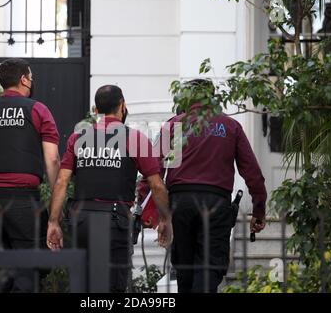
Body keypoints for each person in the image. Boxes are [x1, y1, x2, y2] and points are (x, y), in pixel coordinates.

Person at [46, 85, 172, 292]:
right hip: (115, 223)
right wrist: (165, 219)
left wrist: (53, 221)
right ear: (122, 105)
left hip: (82, 221)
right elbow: (157, 185)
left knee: (83, 286)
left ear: (96, 110)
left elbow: (61, 182)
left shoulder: (78, 138)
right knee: (113, 287)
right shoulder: (135, 139)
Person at [148, 78, 267, 293]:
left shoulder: (174, 125)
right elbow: (252, 172)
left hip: (180, 203)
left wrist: (157, 214)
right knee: (209, 269)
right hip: (215, 203)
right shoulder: (230, 126)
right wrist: (259, 209)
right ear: (212, 98)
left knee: (184, 270)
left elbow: (153, 172)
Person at [0, 58, 61, 292]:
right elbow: (53, 160)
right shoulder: (38, 110)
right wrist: (56, 206)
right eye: (31, 78)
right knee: (27, 269)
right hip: (23, 202)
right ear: (24, 80)